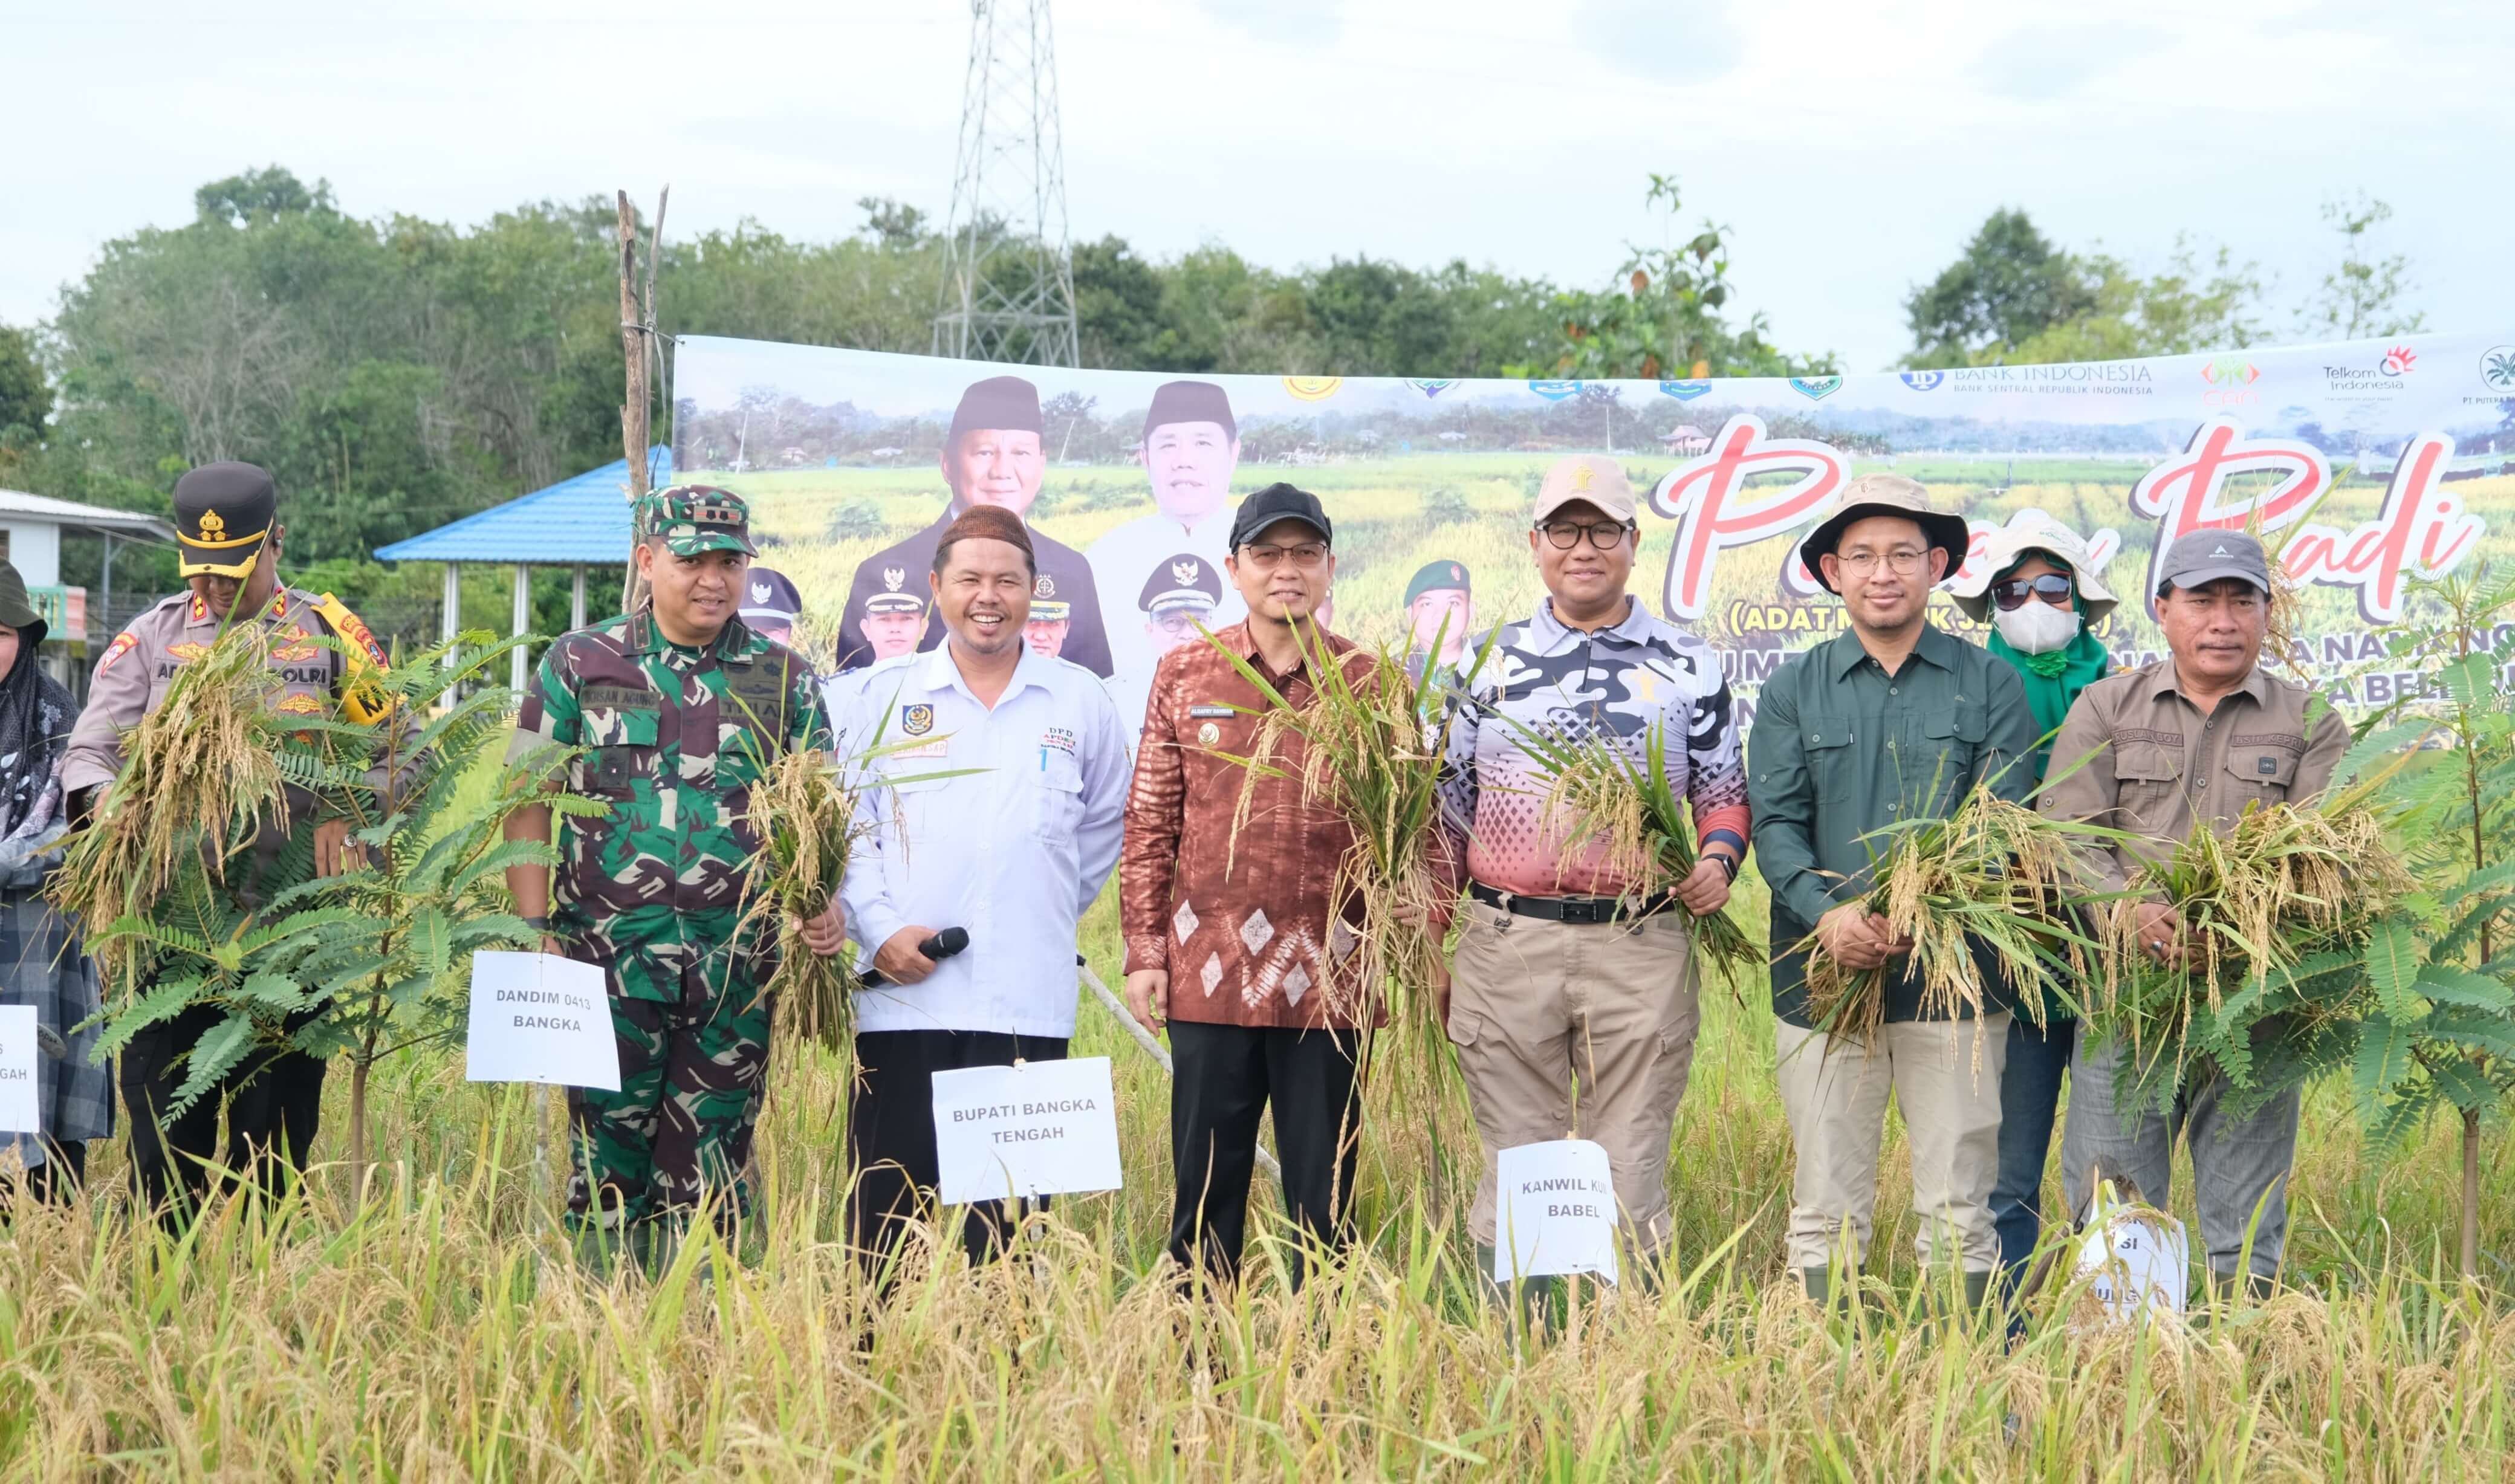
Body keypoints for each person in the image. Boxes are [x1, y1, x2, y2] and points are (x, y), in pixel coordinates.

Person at [504, 485, 844, 1260]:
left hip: (736, 969)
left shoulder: (783, 677)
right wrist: (533, 933)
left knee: (715, 1163)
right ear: (648, 560)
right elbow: (525, 802)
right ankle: (602, 1320)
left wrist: (816, 901)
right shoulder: (580, 662)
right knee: (604, 1156)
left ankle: (703, 1333)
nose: (713, 580)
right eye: (692, 560)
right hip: (604, 964)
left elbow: (817, 813)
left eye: (729, 562)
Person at [1432, 456, 1748, 1289]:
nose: (1584, 547)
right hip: (1507, 943)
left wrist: (1719, 860)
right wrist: (1431, 943)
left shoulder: (1687, 662)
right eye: (1564, 530)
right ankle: (1522, 1351)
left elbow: (1723, 793)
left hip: (1639, 941)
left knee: (1631, 1158)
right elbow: (1446, 812)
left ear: (1632, 543)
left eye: (1602, 528)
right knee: (1516, 1158)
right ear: (1535, 544)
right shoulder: (1486, 664)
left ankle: (1625, 1356)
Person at [65, 461, 393, 1217]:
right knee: (164, 1139)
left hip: (287, 940)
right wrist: (106, 798)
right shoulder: (150, 639)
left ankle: (260, 1290)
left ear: (276, 542)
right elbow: (87, 751)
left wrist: (355, 804)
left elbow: (402, 747)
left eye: (233, 572)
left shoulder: (329, 634)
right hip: (168, 933)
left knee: (273, 1147)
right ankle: (170, 1286)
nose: (214, 590)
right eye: (201, 573)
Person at [1747, 473, 2038, 1312]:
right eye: (1864, 555)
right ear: (1832, 571)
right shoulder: (1792, 689)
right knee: (1827, 1202)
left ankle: (1964, 1385)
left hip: (1957, 980)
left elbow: (2000, 822)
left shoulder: (1989, 685)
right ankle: (1833, 1382)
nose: (1884, 572)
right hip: (1822, 980)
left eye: (1904, 554)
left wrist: (1920, 914)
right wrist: (1828, 914)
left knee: (1958, 1201)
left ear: (1938, 564)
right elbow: (1776, 823)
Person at [2044, 530, 2348, 1302]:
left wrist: (2237, 937)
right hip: (2127, 1002)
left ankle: (2235, 1381)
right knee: (2114, 1218)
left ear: (2265, 613)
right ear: (2161, 609)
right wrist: (2127, 913)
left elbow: (2326, 862)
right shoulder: (2104, 708)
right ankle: (2119, 1387)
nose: (2222, 620)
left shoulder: (2310, 723)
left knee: (2242, 1233)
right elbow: (2066, 834)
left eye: (2240, 600)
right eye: (2202, 600)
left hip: (2253, 1008)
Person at [835, 504, 1131, 1273]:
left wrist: (1038, 910)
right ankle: (870, 1376)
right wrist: (878, 931)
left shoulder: (1078, 702)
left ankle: (1004, 1381)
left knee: (1009, 1238)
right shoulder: (883, 697)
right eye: (968, 578)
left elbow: (1102, 830)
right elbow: (847, 825)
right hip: (905, 997)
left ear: (1034, 590)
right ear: (936, 588)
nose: (987, 595)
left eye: (1007, 579)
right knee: (884, 1227)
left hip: (1024, 1003)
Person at [1120, 483, 1373, 1293]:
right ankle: (1203, 1374)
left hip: (1330, 984)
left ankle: (1324, 1367)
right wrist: (1144, 950)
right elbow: (1151, 821)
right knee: (1203, 1197)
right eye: (1268, 554)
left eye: (1304, 554)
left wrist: (1412, 943)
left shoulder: (1372, 683)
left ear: (1330, 566)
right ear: (1235, 567)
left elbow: (1412, 836)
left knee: (1325, 1201)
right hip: (1206, 978)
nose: (1286, 571)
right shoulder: (1187, 670)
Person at [1944, 520, 2118, 1287]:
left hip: (2119, 957)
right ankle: (2008, 1333)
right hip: (2013, 963)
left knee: (2113, 1161)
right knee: (2008, 1164)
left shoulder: (2126, 697)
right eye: (2012, 590)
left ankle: (2115, 1322)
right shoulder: (1963, 695)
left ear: (2081, 600)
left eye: (2052, 587)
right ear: (1990, 606)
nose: (2033, 603)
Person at [835, 376, 1112, 677]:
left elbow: (1094, 692)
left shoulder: (1072, 570)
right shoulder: (883, 572)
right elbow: (854, 700)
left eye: (1020, 454)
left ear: (1041, 465)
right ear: (947, 465)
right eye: (984, 453)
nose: (1003, 472)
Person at [0, 559, 109, 1204]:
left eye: (3, 632)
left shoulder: (63, 723)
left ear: (27, 640)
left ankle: (54, 1248)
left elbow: (78, 837)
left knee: (42, 1086)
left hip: (39, 944)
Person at [1088, 380, 1247, 681]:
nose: (1184, 462)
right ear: (1146, 458)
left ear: (1233, 453)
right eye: (1168, 445)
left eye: (1203, 444)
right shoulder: (1103, 558)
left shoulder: (1266, 553)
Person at [1109, 553, 1223, 736]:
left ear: (1214, 629)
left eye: (1198, 622)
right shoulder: (1117, 698)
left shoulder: (1238, 692)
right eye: (1172, 622)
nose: (1187, 635)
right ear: (1150, 630)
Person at [1403, 559, 1479, 682]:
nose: (1441, 615)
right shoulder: (1390, 674)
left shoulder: (1493, 667)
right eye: (1427, 604)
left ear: (1471, 610)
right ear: (1410, 613)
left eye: (1453, 603)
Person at [739, 566, 804, 650]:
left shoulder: (800, 664)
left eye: (771, 631)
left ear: (789, 634)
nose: (757, 641)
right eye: (746, 630)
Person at [1022, 578, 1072, 660]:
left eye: (1053, 623)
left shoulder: (1078, 673)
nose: (1040, 637)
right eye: (1031, 621)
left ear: (1066, 629)